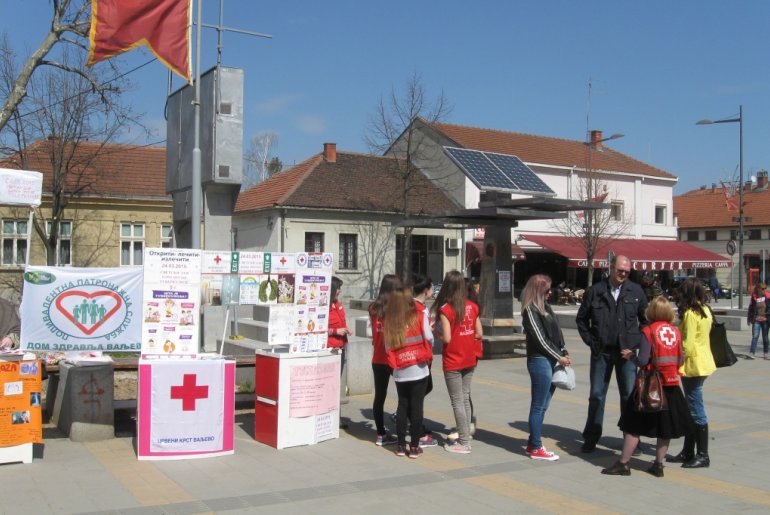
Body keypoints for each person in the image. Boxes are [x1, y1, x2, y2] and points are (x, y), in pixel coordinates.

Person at [602, 296, 695, 477]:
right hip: (672, 385)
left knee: (633, 425)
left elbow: (643, 360)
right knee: (665, 428)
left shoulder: (649, 331)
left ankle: (623, 463)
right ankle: (658, 465)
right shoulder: (675, 331)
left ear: (652, 312)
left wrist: (631, 356)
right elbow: (680, 358)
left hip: (651, 385)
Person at [576, 255, 648, 453]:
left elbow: (646, 321)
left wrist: (637, 346)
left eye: (627, 271)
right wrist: (591, 341)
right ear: (611, 268)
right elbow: (581, 320)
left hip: (627, 354)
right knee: (597, 395)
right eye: (620, 270)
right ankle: (591, 437)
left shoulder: (636, 291)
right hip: (602, 352)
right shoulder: (596, 291)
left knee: (629, 397)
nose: (623, 273)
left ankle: (632, 440)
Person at [521, 274, 571, 461]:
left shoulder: (546, 307)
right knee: (538, 405)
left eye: (551, 289)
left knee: (543, 406)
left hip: (551, 359)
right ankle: (535, 446)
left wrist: (563, 351)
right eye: (547, 290)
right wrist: (559, 356)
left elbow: (557, 332)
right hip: (539, 360)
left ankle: (533, 442)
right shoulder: (530, 310)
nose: (551, 293)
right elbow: (540, 339)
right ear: (537, 291)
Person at [433, 270, 483, 454]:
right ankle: (466, 434)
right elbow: (479, 333)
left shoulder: (446, 309)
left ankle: (463, 442)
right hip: (469, 357)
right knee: (464, 396)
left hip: (453, 359)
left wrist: (435, 332)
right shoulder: (472, 305)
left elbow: (446, 338)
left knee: (457, 401)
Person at [668, 277, 715, 468]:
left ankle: (703, 455)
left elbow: (686, 344)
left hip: (692, 364)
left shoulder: (690, 314)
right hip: (704, 361)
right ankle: (688, 451)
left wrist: (673, 359)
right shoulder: (705, 310)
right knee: (690, 408)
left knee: (696, 409)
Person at [383, 287, 433, 459]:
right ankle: (414, 447)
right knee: (417, 407)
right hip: (419, 368)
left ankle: (400, 445)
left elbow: (386, 347)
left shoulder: (390, 322)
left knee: (402, 405)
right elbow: (429, 336)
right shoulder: (418, 316)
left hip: (400, 369)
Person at [369, 274, 402, 446]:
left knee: (379, 396)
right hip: (395, 358)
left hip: (378, 358)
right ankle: (402, 430)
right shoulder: (397, 309)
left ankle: (380, 433)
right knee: (403, 396)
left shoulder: (373, 308)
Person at [412, 274, 438, 448]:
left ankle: (409, 418)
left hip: (409, 356)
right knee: (419, 395)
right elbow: (427, 336)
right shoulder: (421, 309)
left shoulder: (408, 305)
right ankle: (419, 433)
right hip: (421, 356)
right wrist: (431, 333)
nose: (433, 290)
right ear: (426, 290)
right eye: (432, 288)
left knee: (416, 393)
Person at [327, 276, 352, 428]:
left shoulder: (338, 305)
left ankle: (337, 418)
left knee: (337, 386)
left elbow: (342, 323)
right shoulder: (324, 306)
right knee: (329, 385)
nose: (340, 291)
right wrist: (336, 331)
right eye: (338, 288)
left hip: (341, 349)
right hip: (330, 350)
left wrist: (346, 329)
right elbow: (319, 328)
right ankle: (330, 418)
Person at [747, 282, 770, 360]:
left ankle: (766, 353)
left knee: (765, 337)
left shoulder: (768, 296)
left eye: (765, 288)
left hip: (765, 320)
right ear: (758, 289)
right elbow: (751, 308)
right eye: (762, 288)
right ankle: (752, 353)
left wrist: (767, 313)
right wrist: (749, 319)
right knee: (755, 336)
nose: (764, 290)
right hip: (756, 319)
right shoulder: (754, 297)